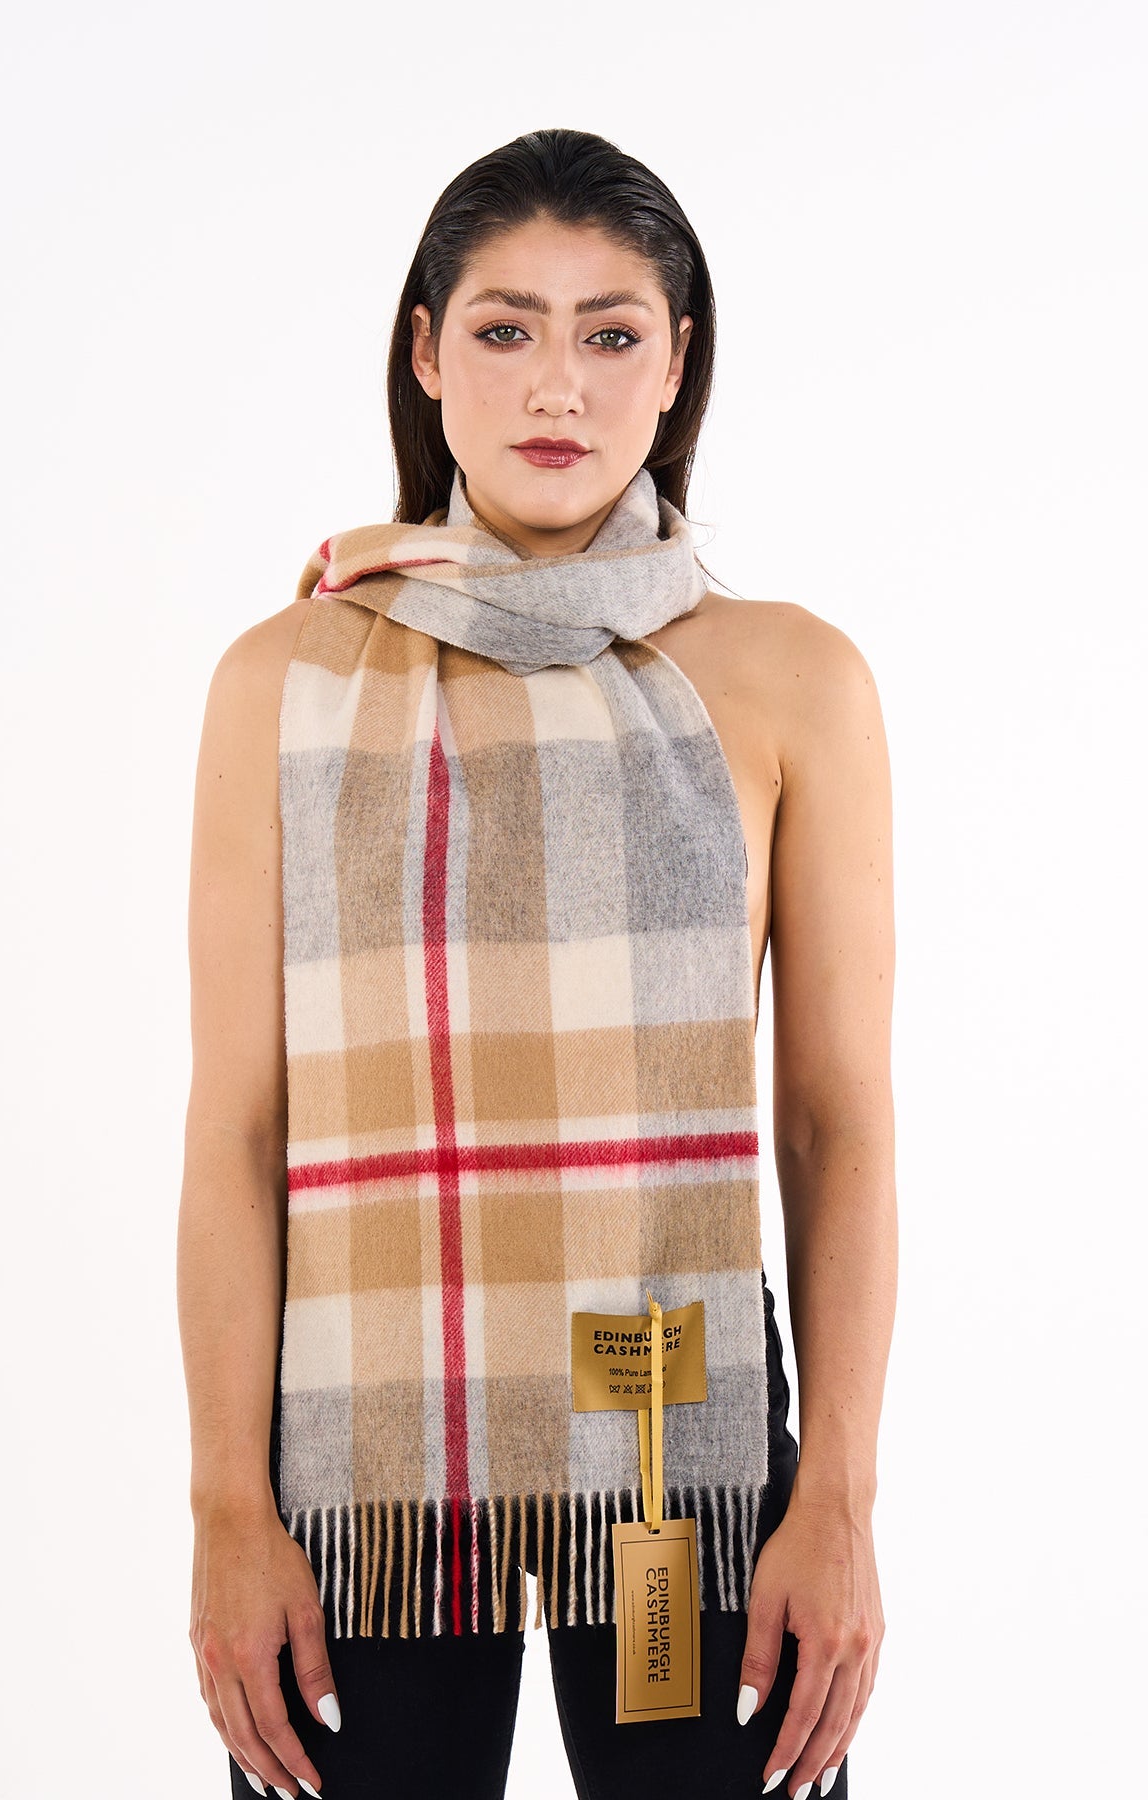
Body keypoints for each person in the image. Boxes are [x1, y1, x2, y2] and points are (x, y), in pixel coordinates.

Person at [177, 126, 896, 1800]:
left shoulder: (791, 679)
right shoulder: (285, 678)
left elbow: (836, 1122)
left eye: (611, 331)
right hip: (362, 1449)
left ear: (677, 364)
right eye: (505, 328)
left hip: (677, 1446)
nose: (557, 384)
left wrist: (840, 1498)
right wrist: (223, 1506)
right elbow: (236, 1131)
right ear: (427, 353)